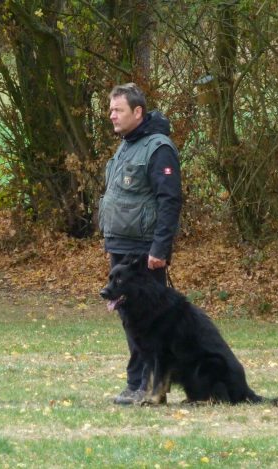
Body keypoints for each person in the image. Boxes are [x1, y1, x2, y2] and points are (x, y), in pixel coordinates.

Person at [99, 83, 182, 405]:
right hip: (122, 245)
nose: (112, 115)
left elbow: (169, 200)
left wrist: (160, 249)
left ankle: (151, 386)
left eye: (118, 110)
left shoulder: (158, 148)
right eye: (110, 110)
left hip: (144, 250)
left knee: (150, 323)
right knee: (130, 320)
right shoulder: (126, 145)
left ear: (137, 112)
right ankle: (136, 383)